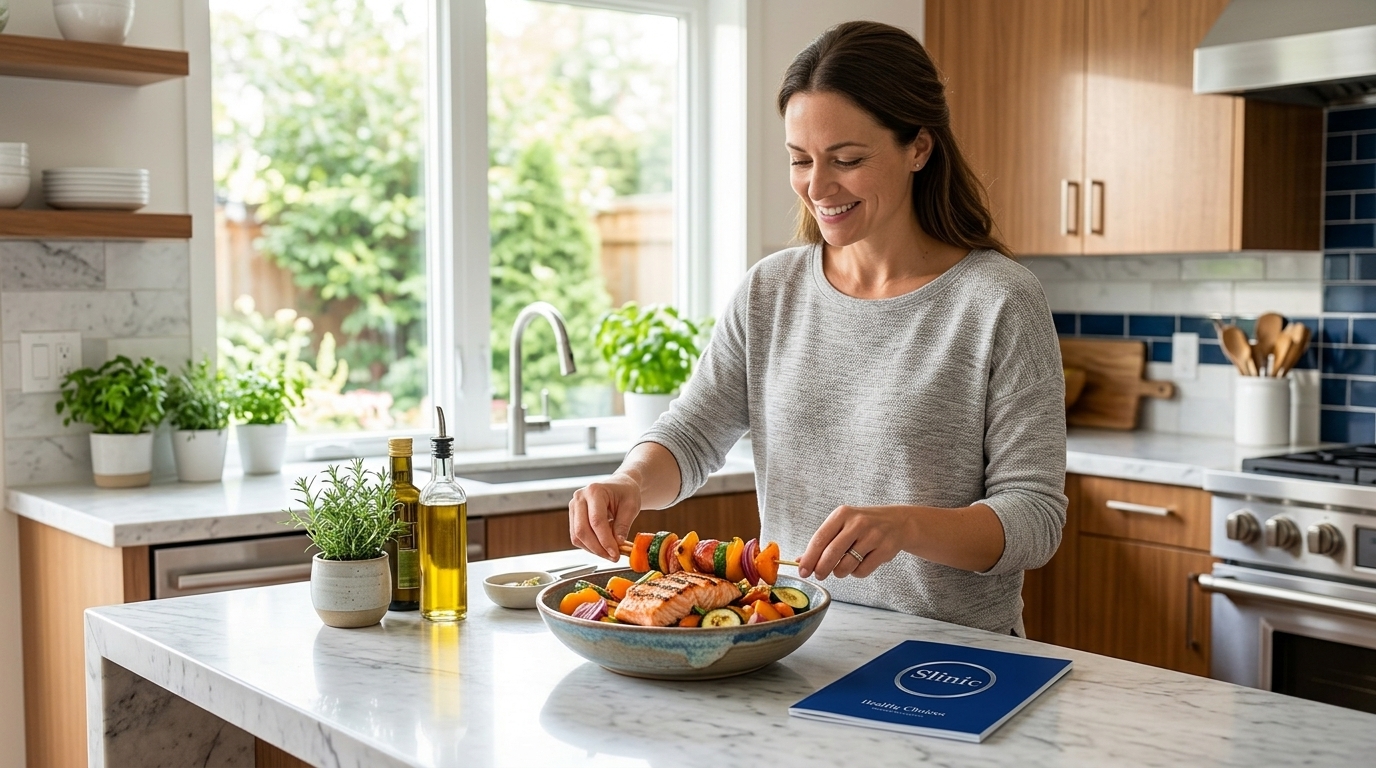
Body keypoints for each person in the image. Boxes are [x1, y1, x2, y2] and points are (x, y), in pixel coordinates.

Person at [568, 20, 1066, 636]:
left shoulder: (999, 301)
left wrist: (906, 525)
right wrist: (629, 481)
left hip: (949, 657)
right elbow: (693, 432)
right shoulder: (770, 290)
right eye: (800, 160)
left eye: (848, 160)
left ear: (919, 148)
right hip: (792, 638)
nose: (818, 187)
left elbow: (1034, 519)